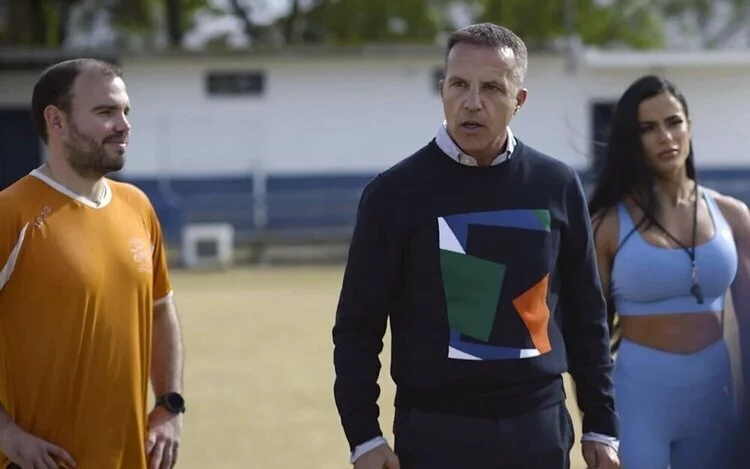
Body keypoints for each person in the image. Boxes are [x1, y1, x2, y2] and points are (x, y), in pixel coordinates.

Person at [332, 22, 620, 469]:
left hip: (538, 428)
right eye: (459, 84)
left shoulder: (557, 185)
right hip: (435, 431)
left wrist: (600, 422)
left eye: (491, 88)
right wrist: (364, 436)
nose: (472, 102)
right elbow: (357, 325)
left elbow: (587, 313)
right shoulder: (393, 194)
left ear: (518, 100)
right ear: (442, 91)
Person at [0, 58, 186, 469]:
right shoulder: (11, 214)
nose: (124, 125)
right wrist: (6, 434)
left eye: (125, 111)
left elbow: (160, 310)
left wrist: (169, 404)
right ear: (57, 120)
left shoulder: (137, 206)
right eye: (105, 112)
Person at [588, 74, 750, 468]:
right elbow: (588, 331)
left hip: (716, 403)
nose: (665, 137)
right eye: (648, 128)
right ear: (632, 140)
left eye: (673, 122)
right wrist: (595, 423)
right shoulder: (607, 224)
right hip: (637, 405)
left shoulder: (733, 216)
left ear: (689, 126)